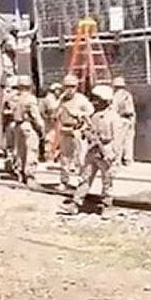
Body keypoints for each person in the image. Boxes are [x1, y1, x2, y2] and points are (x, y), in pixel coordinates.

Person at [60, 85, 120, 217]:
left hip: (106, 151)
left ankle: (107, 206)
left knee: (107, 181)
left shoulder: (113, 117)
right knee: (85, 178)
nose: (94, 102)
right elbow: (86, 131)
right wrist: (86, 132)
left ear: (105, 101)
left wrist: (114, 155)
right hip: (92, 151)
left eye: (97, 99)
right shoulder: (93, 116)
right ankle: (75, 204)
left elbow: (117, 139)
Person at [56, 74, 94, 189]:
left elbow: (90, 110)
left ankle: (81, 181)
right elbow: (54, 112)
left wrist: (81, 115)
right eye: (67, 86)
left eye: (72, 86)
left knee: (80, 158)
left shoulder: (81, 99)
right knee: (64, 158)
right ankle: (64, 180)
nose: (69, 89)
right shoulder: (62, 99)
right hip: (65, 129)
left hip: (77, 130)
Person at [13, 75, 44, 188]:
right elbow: (36, 116)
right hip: (28, 125)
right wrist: (41, 129)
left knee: (20, 152)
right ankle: (30, 177)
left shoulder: (14, 98)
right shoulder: (30, 99)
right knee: (31, 151)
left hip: (17, 125)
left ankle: (19, 175)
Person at [112, 76, 137, 167]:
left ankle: (117, 160)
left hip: (121, 119)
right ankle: (128, 159)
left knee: (118, 141)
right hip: (130, 119)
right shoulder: (127, 94)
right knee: (128, 140)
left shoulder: (116, 96)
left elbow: (114, 109)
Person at [0, 75, 20, 173]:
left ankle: (16, 167)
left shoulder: (19, 96)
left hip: (16, 123)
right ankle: (10, 165)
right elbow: (3, 111)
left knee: (17, 147)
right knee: (10, 147)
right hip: (9, 124)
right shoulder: (6, 96)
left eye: (13, 87)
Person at [39, 82, 63, 162]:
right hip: (49, 124)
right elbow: (53, 108)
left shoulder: (53, 98)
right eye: (59, 90)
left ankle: (53, 156)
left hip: (53, 123)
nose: (60, 92)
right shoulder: (50, 98)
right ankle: (48, 157)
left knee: (55, 139)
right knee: (49, 140)